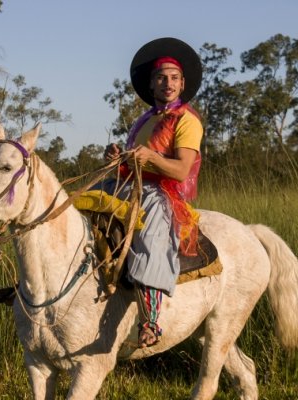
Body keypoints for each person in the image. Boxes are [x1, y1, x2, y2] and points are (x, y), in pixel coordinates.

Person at [102, 37, 203, 348]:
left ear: (183, 83)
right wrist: (119, 155)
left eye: (174, 78)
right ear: (152, 84)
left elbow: (181, 170)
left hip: (162, 191)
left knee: (152, 234)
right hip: (132, 183)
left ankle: (151, 319)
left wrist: (152, 158)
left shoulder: (187, 120)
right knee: (84, 203)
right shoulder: (146, 120)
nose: (168, 83)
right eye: (161, 78)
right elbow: (137, 158)